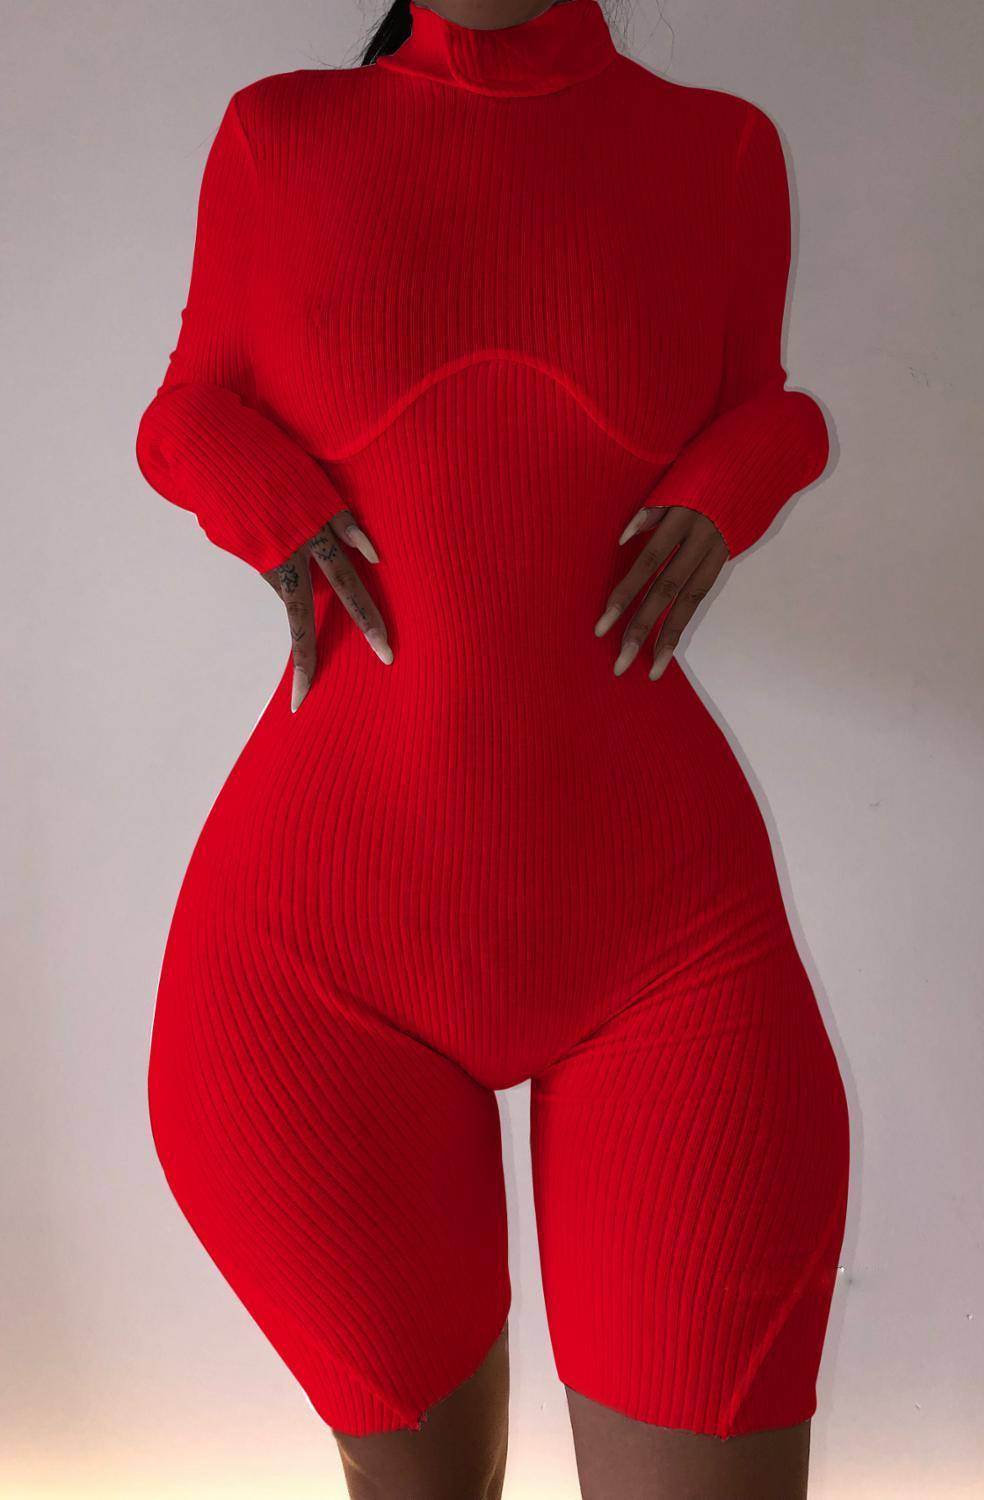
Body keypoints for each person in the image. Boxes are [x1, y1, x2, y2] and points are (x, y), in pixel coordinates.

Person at [134, 1, 851, 1495]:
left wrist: (744, 473)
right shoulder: (282, 136)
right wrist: (252, 487)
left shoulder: (716, 149)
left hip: (666, 942)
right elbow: (184, 409)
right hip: (316, 953)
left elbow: (765, 405)